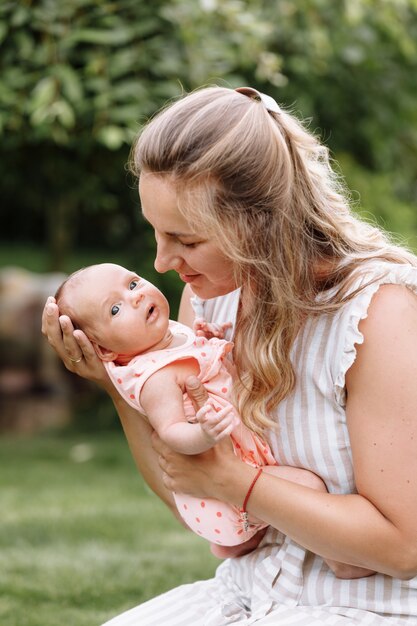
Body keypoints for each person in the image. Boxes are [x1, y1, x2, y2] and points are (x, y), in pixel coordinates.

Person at [42, 85, 417, 625]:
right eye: (156, 233)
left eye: (186, 240)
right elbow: (192, 501)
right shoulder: (211, 296)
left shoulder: (378, 315)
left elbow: (404, 549)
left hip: (369, 606)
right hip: (250, 591)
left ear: (260, 222)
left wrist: (234, 481)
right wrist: (121, 380)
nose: (162, 262)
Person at [55, 261, 317, 552]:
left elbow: (199, 355)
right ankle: (335, 558)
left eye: (132, 284)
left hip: (233, 469)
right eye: (115, 309)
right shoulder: (157, 379)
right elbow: (170, 431)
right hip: (221, 492)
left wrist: (209, 337)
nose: (136, 296)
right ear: (105, 350)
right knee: (308, 487)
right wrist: (203, 434)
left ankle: (231, 546)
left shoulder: (168, 337)